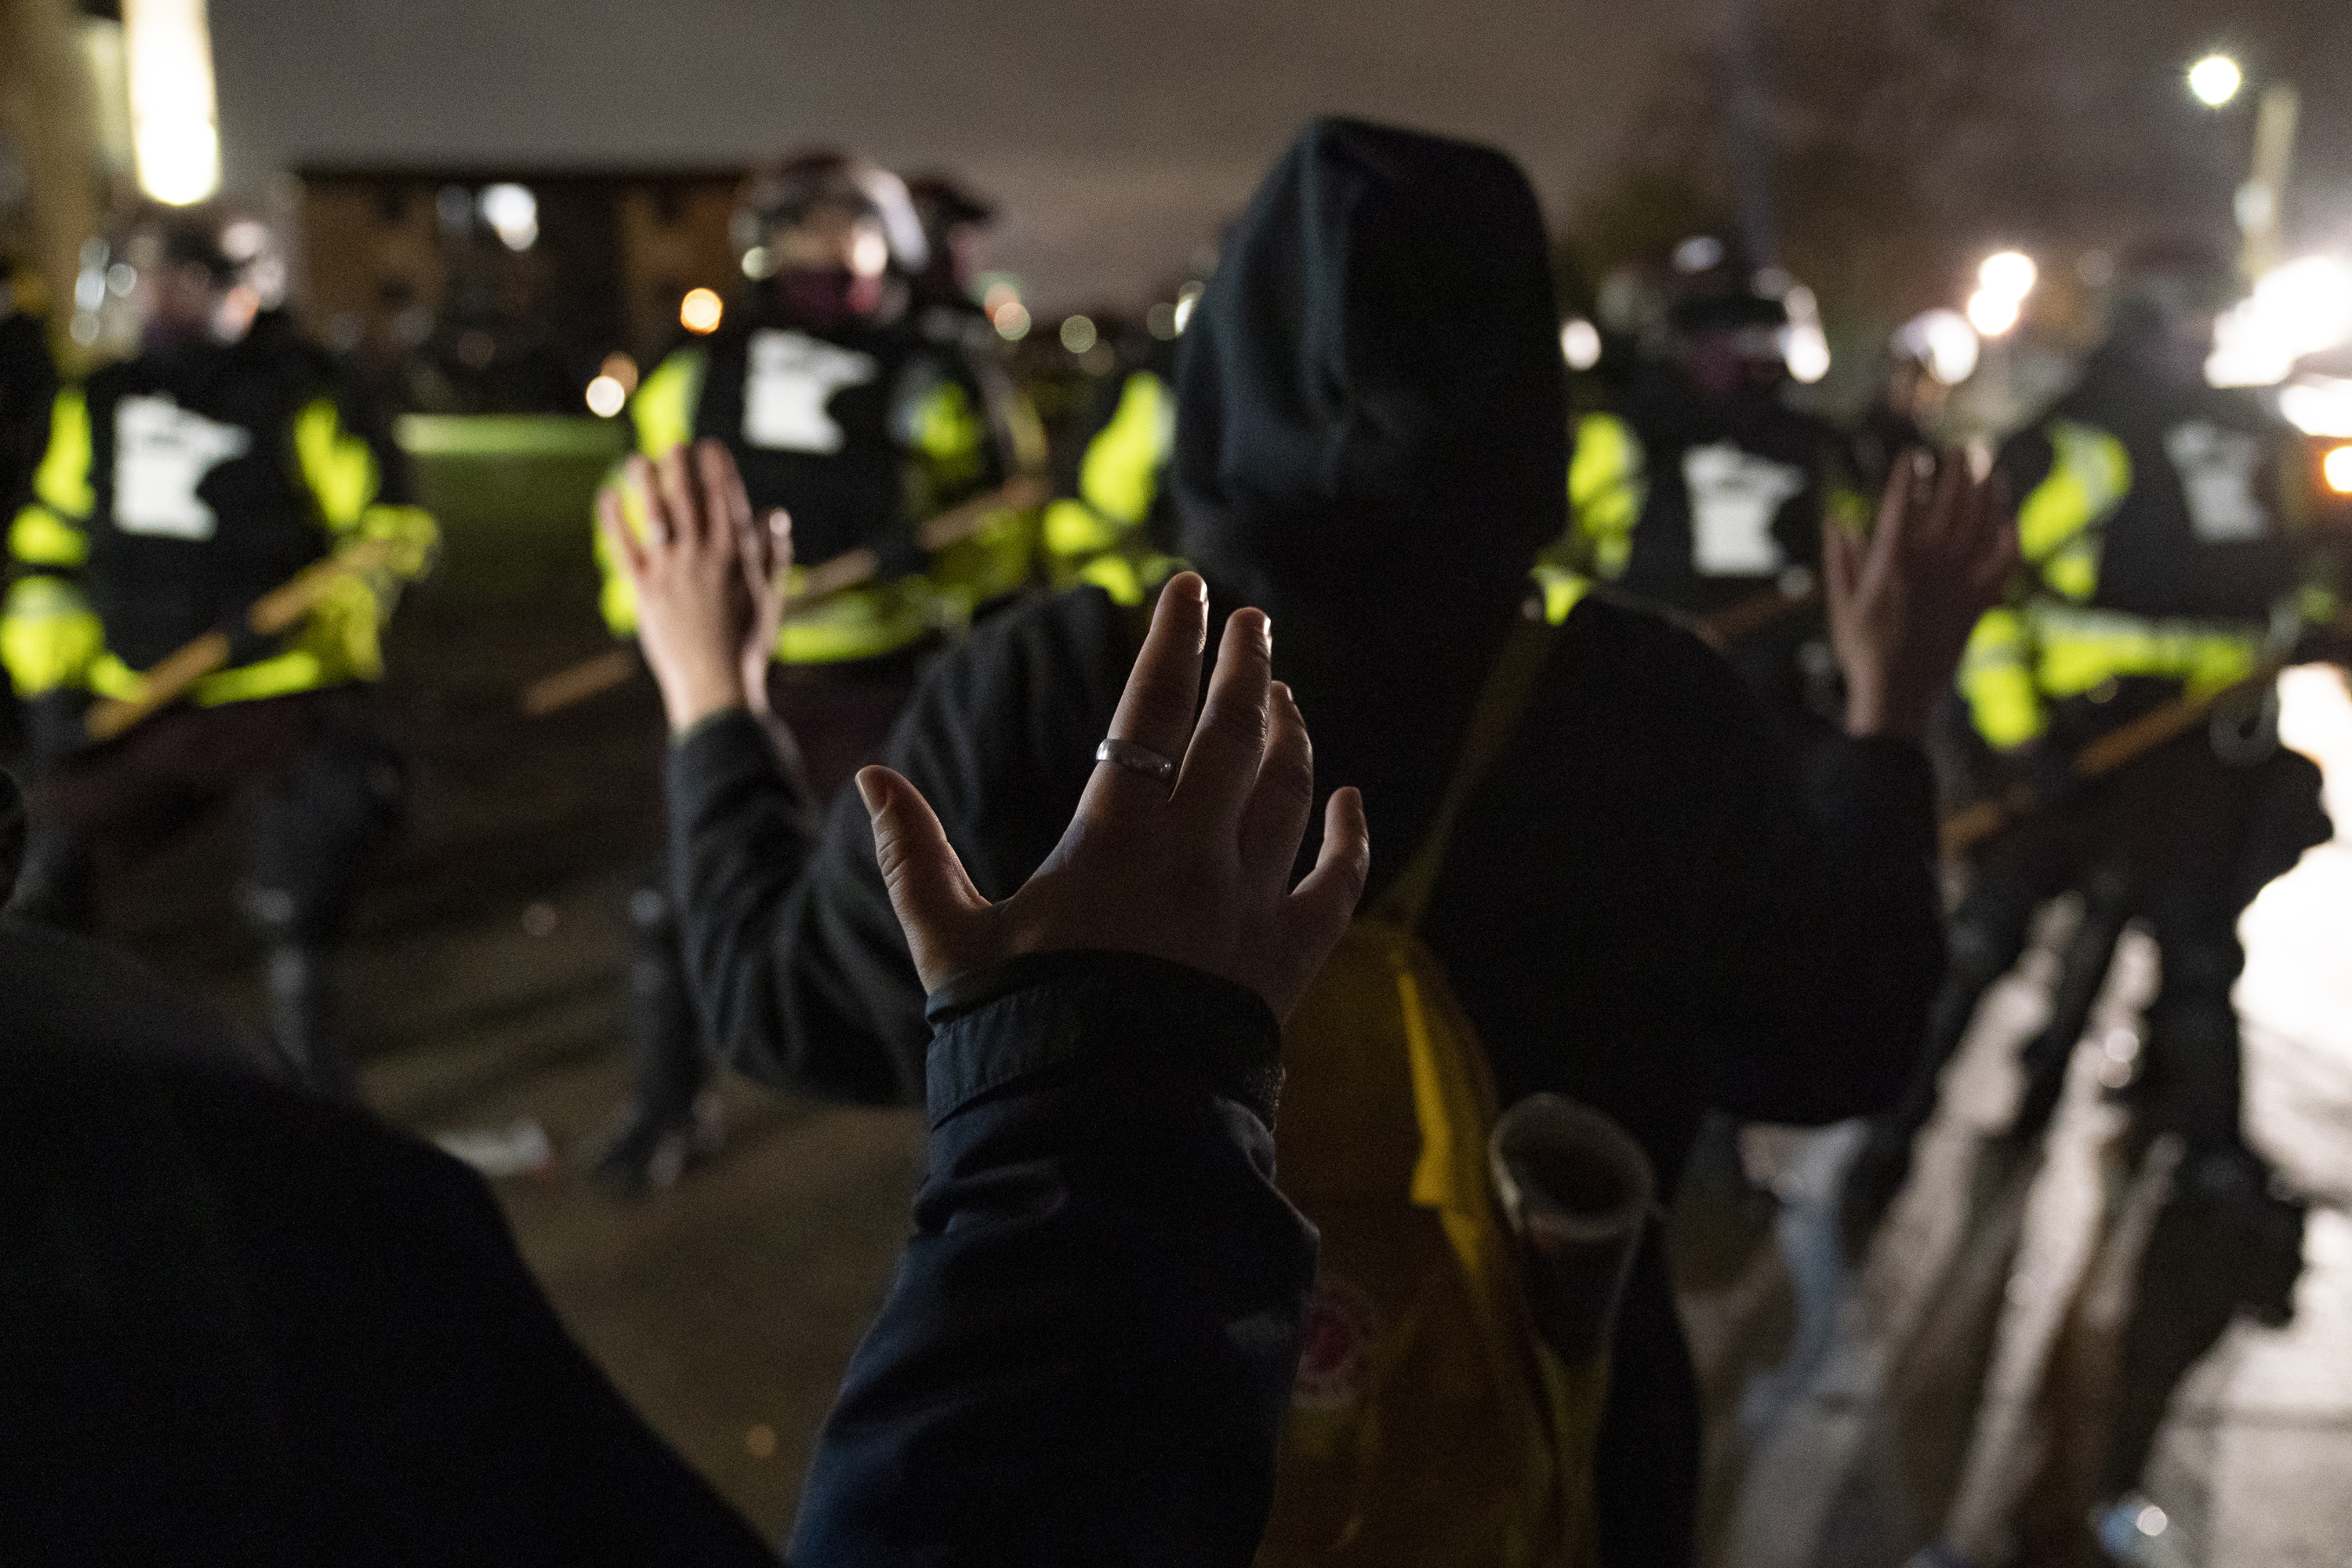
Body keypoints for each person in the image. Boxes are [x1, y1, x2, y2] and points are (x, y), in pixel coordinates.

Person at [612, 118, 2010, 1566]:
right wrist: (1892, 719)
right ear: (1530, 382)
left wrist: (716, 703)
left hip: (1120, 1495)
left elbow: (783, 1007)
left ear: (1223, 369)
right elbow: (1839, 1041)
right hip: (1550, 1487)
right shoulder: (1646, 709)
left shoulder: (1049, 691)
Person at [1, 558, 1355, 1562]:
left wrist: (719, 696)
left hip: (881, 691)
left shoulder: (144, 1178)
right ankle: (661, 1107)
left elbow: (785, 1000)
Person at [1841, 241, 2334, 1251]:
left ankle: (2212, 1159)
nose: (2208, 336)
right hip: (2085, 743)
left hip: (2202, 751)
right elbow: (1986, 604)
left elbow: (2298, 569)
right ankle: (1891, 1130)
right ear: (2146, 320)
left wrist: (2318, 614)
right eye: (2191, 315)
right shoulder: (2079, 444)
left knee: (2198, 959)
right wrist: (2022, 748)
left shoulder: (2257, 436)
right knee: (1987, 946)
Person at [590, 151, 1044, 1193]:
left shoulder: (942, 370)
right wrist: (654, 629)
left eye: (851, 236)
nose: (828, 257)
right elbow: (633, 521)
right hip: (737, 679)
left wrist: (928, 556)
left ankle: (963, 1128)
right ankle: (668, 1105)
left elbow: (1013, 523)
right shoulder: (692, 374)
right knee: (679, 899)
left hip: (894, 682)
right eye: (805, 237)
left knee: (928, 911)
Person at [0, 201, 434, 1096]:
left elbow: (390, 536)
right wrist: (54, 684)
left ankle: (315, 1094)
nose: (155, 296)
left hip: (275, 699)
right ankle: (61, 1077)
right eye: (144, 276)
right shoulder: (100, 401)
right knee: (43, 853)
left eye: (182, 278)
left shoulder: (306, 392)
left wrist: (286, 624)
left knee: (292, 892)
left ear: (240, 287)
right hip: (140, 695)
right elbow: (49, 553)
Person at [1551, 255, 1870, 735]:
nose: (1760, 352)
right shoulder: (1622, 440)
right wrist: (1621, 642)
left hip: (1791, 707)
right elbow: (1547, 569)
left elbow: (1859, 552)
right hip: (1651, 710)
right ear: (1681, 344)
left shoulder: (1818, 445)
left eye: (1767, 331)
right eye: (1736, 333)